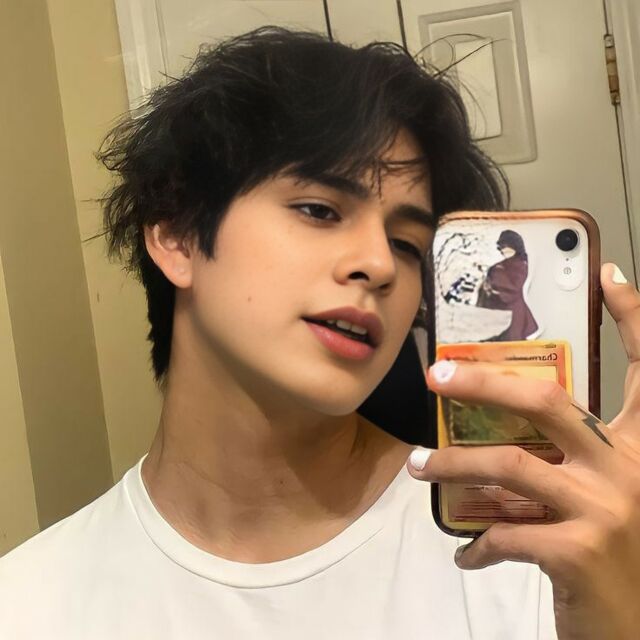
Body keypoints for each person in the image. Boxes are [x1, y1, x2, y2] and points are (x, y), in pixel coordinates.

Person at [1, 27, 639, 639]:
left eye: (407, 244)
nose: (380, 264)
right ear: (177, 234)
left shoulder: (543, 561)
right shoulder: (27, 604)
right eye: (319, 210)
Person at [477, 229, 539, 340]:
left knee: (512, 342)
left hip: (513, 314)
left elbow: (513, 288)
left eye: (506, 247)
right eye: (501, 247)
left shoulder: (520, 265)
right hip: (497, 313)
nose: (503, 250)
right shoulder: (500, 267)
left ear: (515, 247)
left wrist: (495, 275)